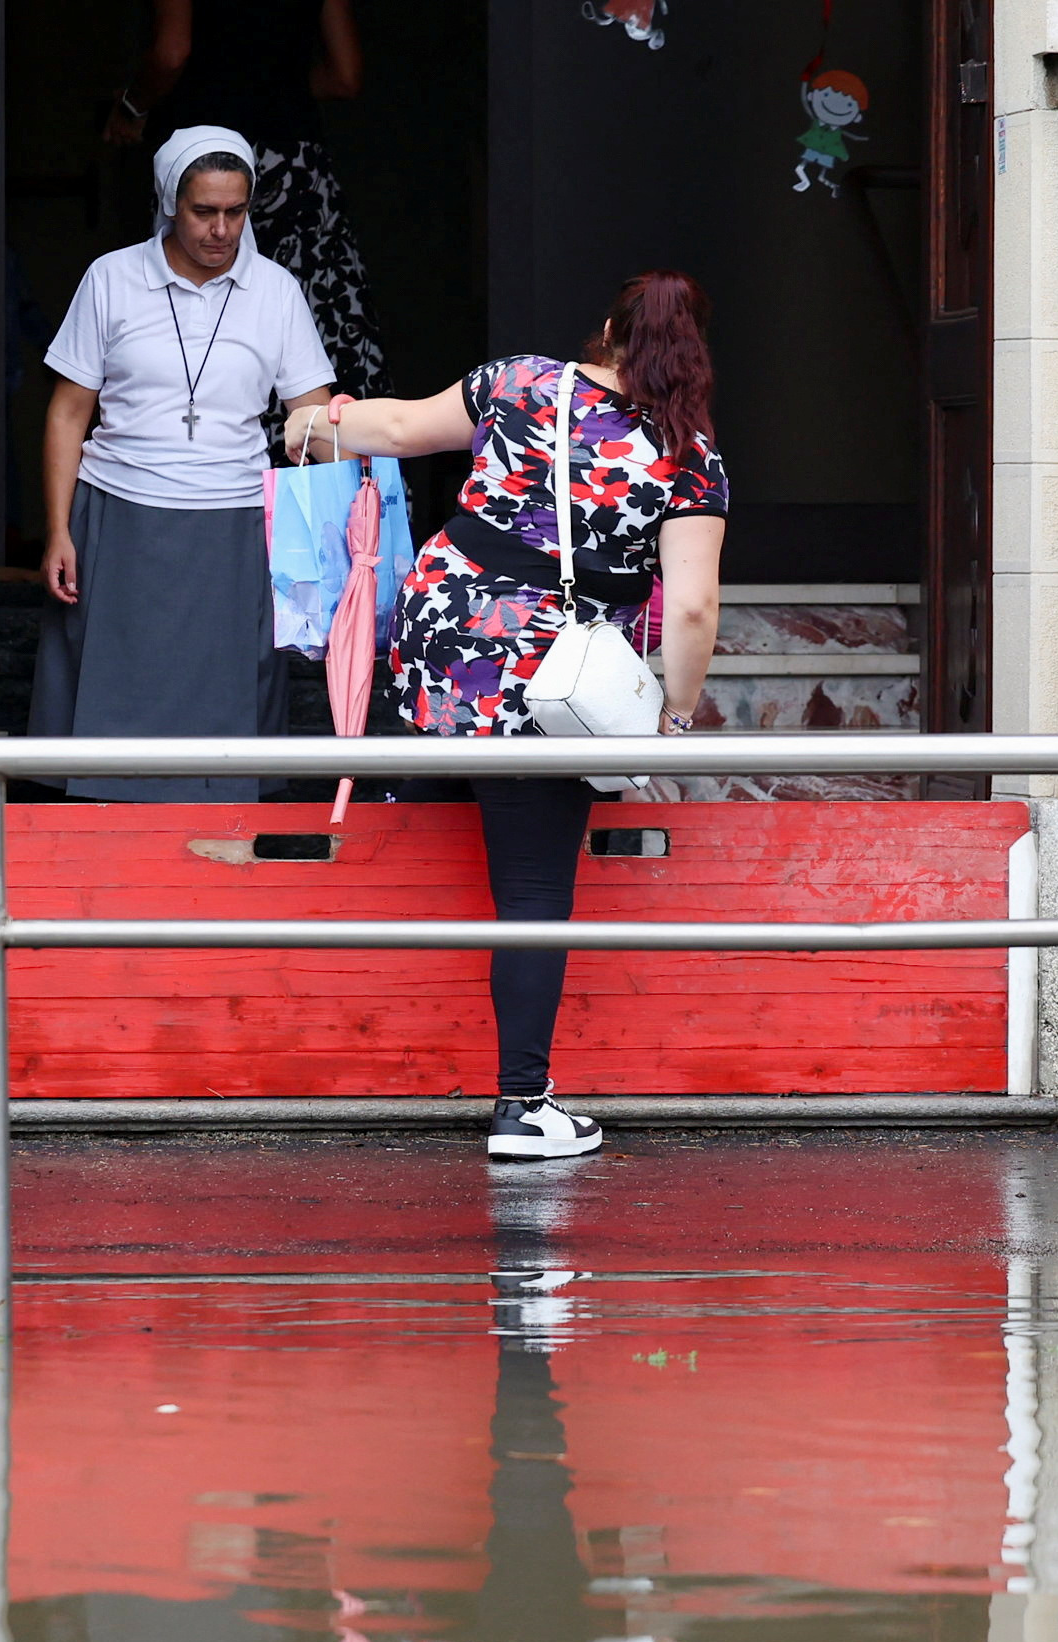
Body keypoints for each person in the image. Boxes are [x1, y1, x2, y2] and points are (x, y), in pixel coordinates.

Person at [283, 271, 728, 1162]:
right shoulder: (689, 455)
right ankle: (524, 1106)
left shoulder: (523, 380)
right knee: (531, 892)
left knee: (444, 803)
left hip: (439, 644)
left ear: (605, 328)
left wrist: (318, 421)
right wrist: (674, 713)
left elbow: (403, 429)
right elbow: (689, 611)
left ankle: (352, 1012)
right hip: (543, 681)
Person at [35, 127, 335, 802]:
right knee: (116, 689)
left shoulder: (274, 290)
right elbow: (66, 412)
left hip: (232, 520)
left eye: (236, 212)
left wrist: (337, 530)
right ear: (172, 202)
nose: (222, 229)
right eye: (205, 211)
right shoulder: (112, 277)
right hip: (120, 511)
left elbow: (316, 418)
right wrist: (59, 529)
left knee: (224, 693)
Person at [105, 0, 386, 399]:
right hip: (294, 164)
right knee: (315, 316)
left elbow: (171, 53)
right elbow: (345, 75)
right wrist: (275, 86)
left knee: (187, 315)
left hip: (200, 155)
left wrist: (131, 107)